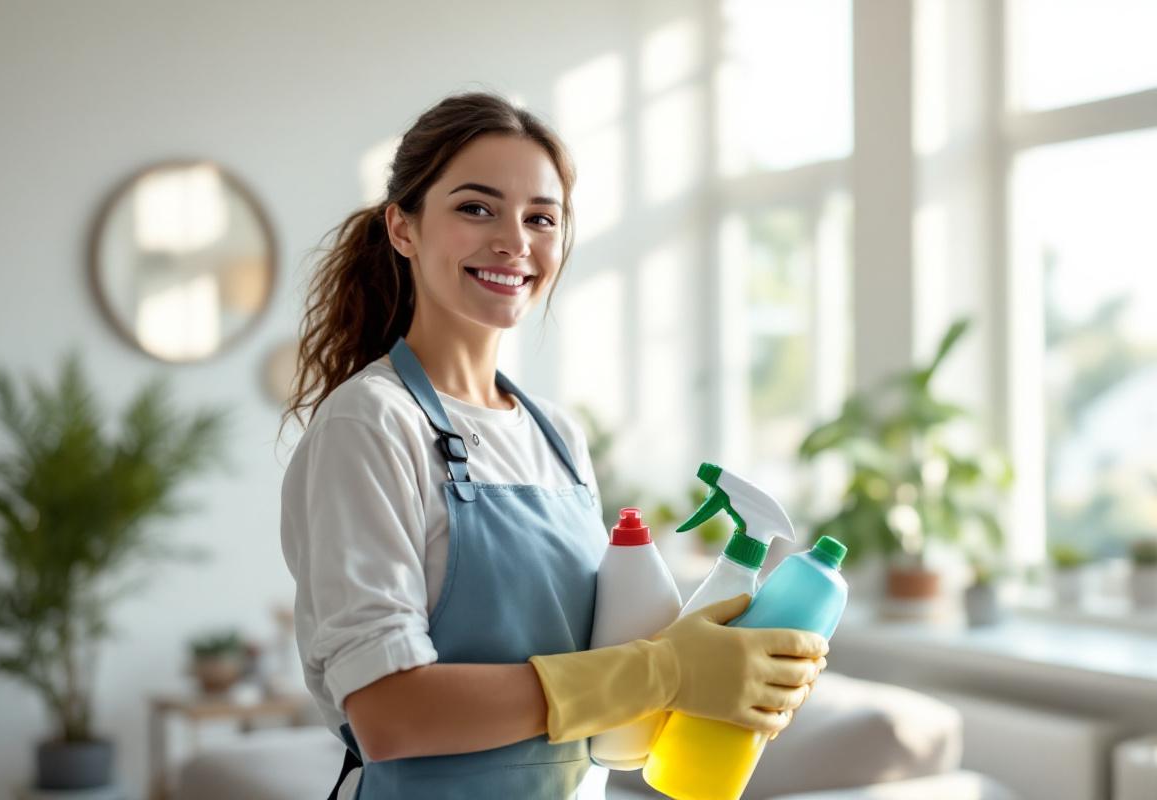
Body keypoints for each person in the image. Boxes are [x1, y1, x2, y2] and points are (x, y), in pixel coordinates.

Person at [278, 92, 828, 800]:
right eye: (476, 208)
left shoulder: (556, 435)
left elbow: (596, 689)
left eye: (541, 218)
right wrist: (661, 670)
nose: (515, 241)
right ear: (403, 227)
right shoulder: (371, 424)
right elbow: (388, 713)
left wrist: (729, 668)